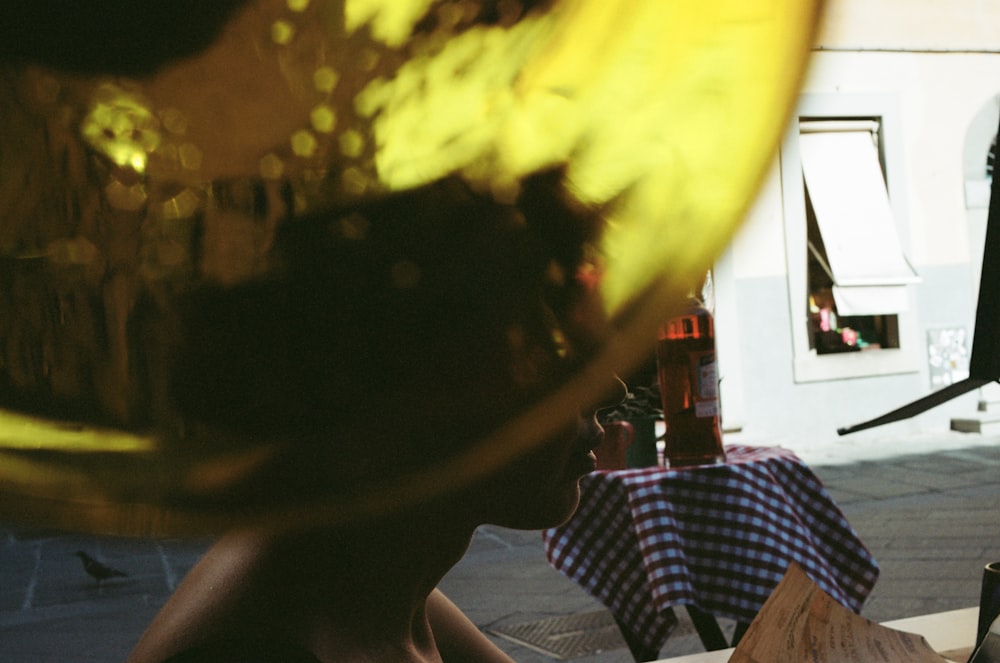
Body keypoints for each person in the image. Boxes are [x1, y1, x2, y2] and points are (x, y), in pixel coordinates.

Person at [124, 170, 629, 663]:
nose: (611, 387)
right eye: (548, 357)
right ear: (418, 389)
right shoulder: (265, 646)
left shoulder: (361, 580)